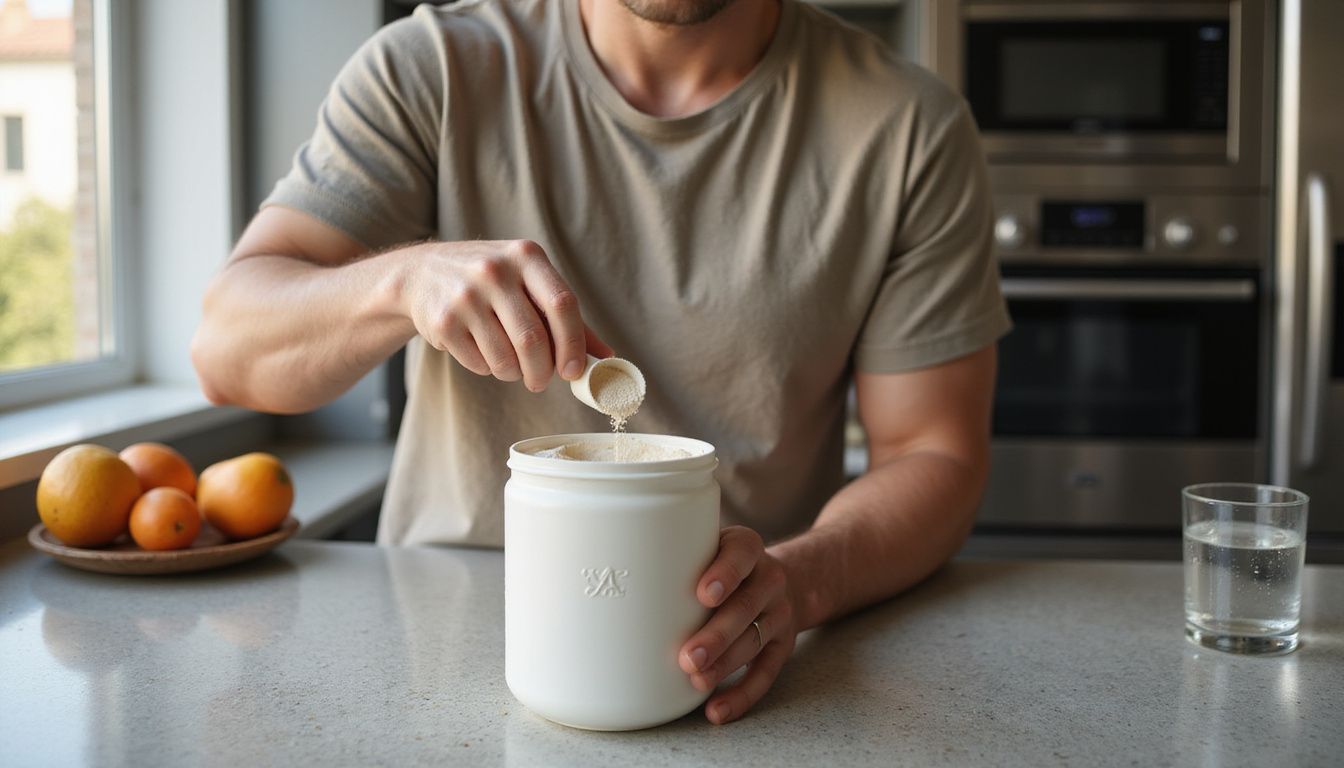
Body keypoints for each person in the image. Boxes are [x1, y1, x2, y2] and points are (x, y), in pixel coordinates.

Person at [191, 0, 1010, 725]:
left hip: (728, 651)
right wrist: (401, 282)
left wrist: (802, 584)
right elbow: (228, 354)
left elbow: (932, 453)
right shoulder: (433, 68)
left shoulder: (907, 126)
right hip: (438, 649)